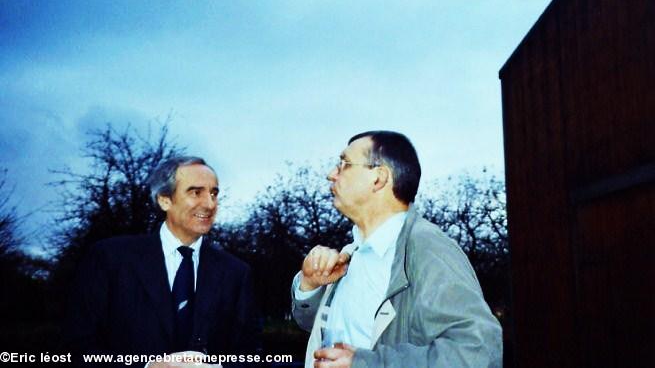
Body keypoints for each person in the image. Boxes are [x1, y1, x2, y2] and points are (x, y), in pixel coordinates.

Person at [291, 131, 502, 367]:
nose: (331, 174)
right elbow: (316, 327)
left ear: (379, 178)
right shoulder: (353, 253)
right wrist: (310, 286)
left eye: (344, 164)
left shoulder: (427, 248)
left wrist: (365, 364)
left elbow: (478, 352)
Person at [64, 156, 259, 367]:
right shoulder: (110, 258)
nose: (210, 204)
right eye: (196, 192)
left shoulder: (236, 272)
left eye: (213, 193)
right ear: (164, 199)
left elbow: (252, 356)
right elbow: (77, 348)